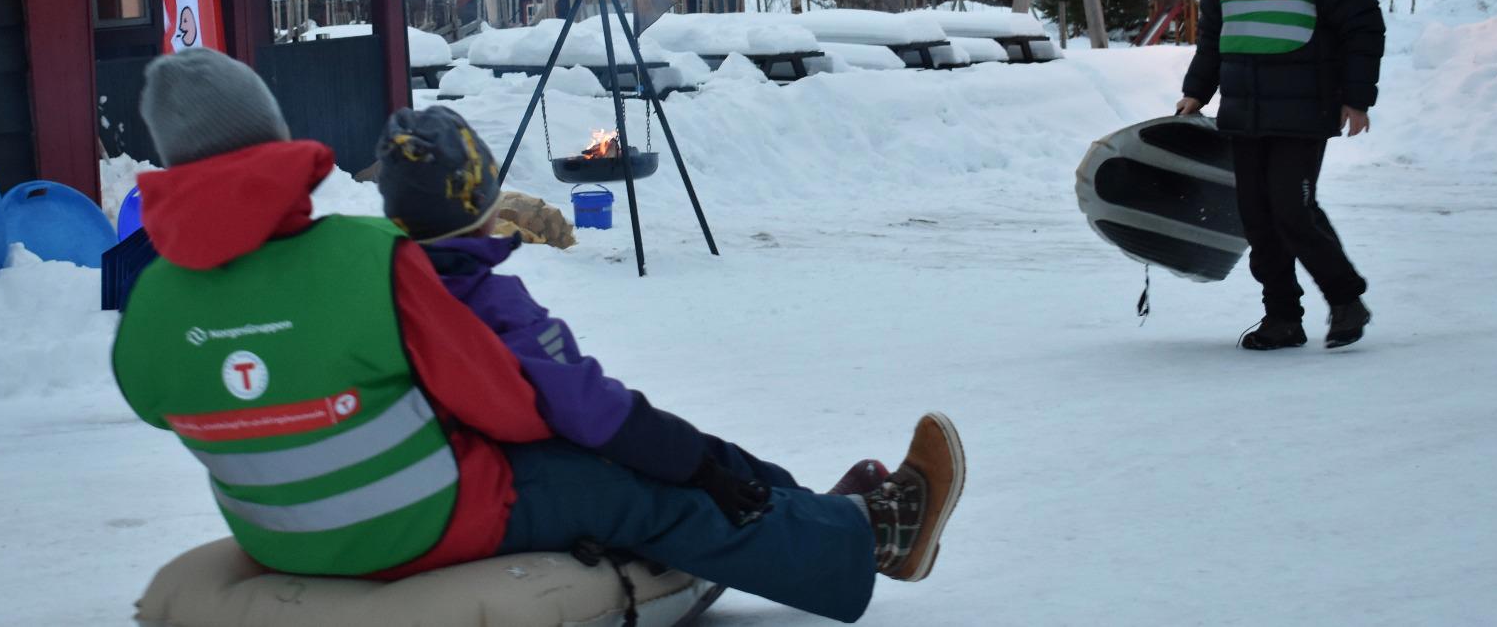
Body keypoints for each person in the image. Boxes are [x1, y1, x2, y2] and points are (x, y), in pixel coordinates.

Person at [108, 48, 966, 623]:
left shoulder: (151, 300)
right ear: (274, 137)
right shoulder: (364, 260)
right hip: (423, 522)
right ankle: (870, 538)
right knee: (631, 484)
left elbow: (156, 402)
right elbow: (510, 406)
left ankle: (816, 518)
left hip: (280, 536)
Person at [1176, 0, 1384, 350]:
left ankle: (1346, 299)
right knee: (1257, 217)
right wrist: (1196, 91)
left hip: (1304, 107)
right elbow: (1213, 35)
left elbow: (1363, 27)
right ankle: (1283, 316)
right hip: (1242, 110)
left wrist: (1357, 98)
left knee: (1292, 208)